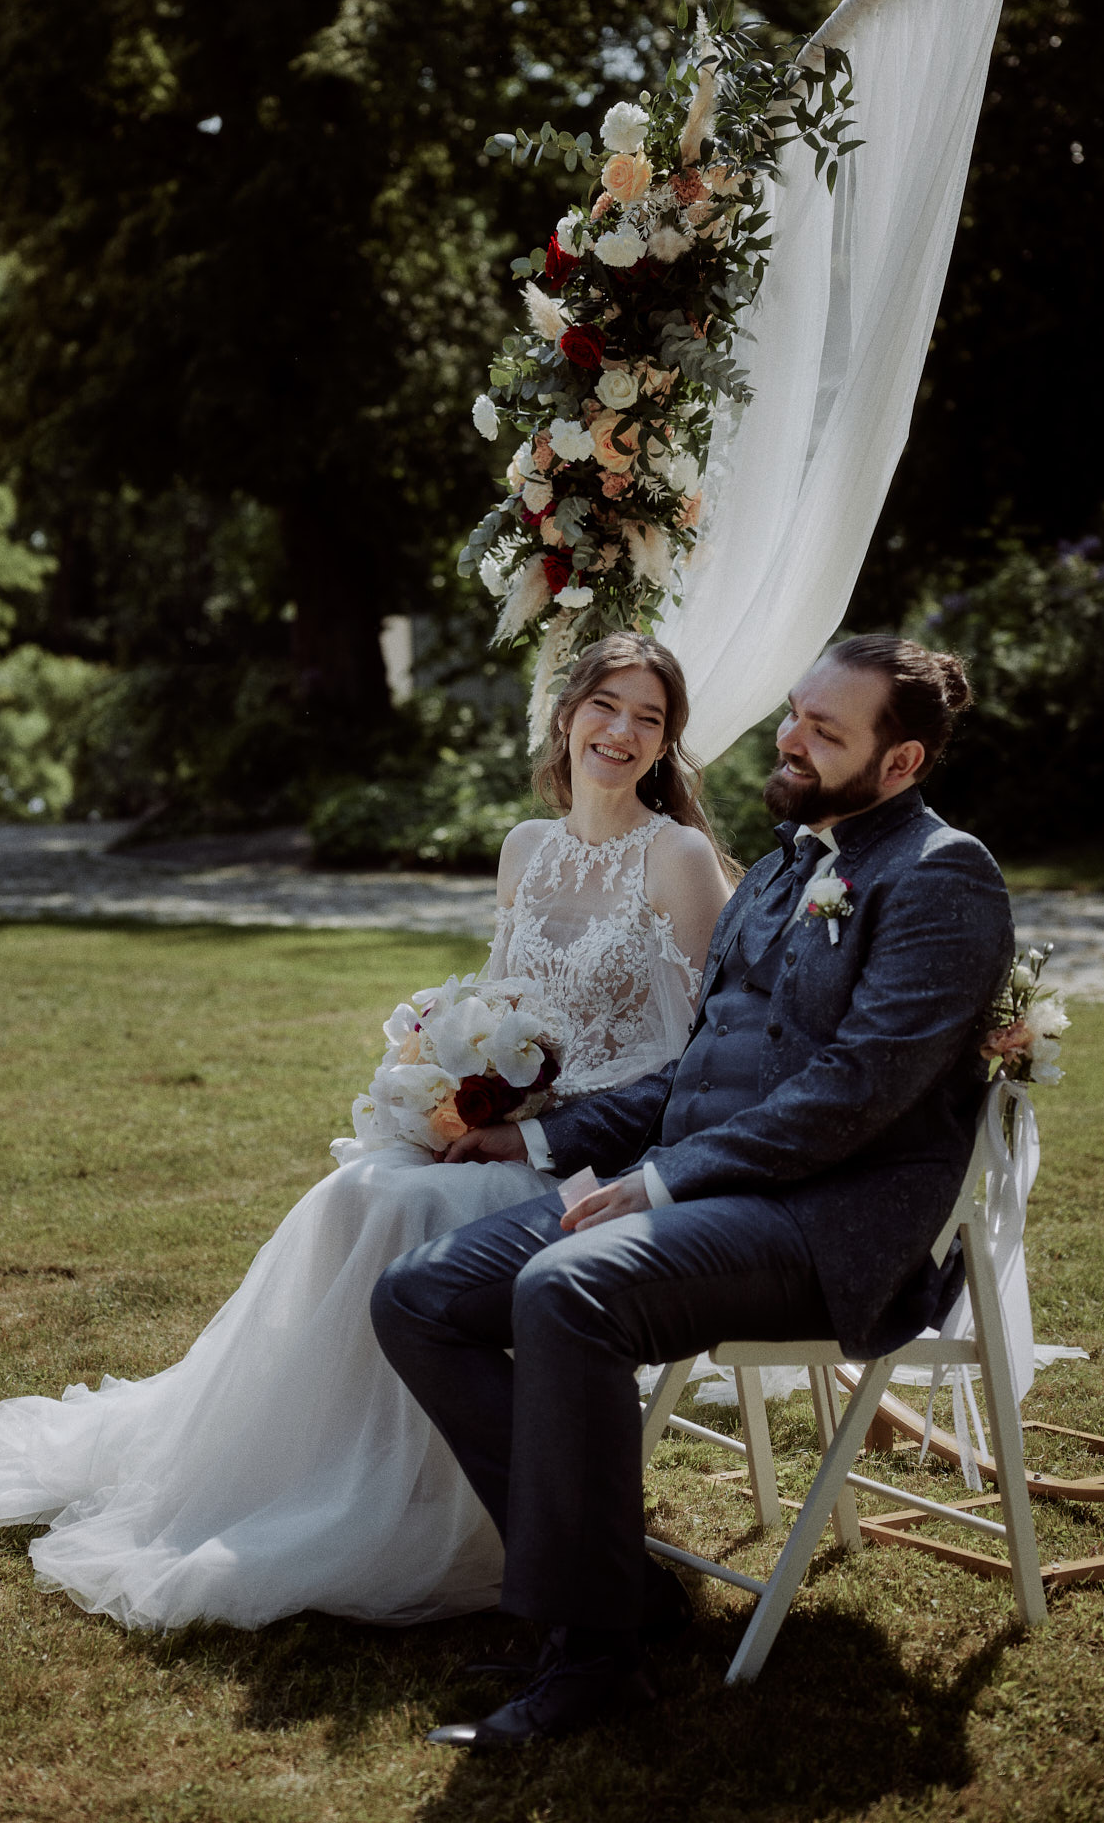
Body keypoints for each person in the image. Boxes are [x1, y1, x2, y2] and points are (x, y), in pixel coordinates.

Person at [0, 633, 732, 1632]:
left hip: (599, 1151)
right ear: (567, 712)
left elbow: (698, 1065)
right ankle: (316, 1474)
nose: (622, 731)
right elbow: (504, 1007)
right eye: (607, 705)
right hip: (507, 1124)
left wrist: (533, 1139)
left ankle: (415, 1507)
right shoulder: (524, 847)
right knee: (357, 1192)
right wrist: (456, 1081)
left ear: (666, 742)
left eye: (649, 718)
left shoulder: (677, 858)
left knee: (403, 1201)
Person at [372, 634, 1015, 1747]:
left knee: (569, 1289)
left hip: (830, 1225)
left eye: (828, 729)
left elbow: (855, 1090)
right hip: (719, 1196)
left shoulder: (940, 874)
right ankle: (616, 1591)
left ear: (901, 762)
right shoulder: (774, 868)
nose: (792, 738)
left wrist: (662, 1180)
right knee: (417, 1295)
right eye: (795, 713)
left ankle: (590, 1660)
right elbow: (692, 1070)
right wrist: (536, 1143)